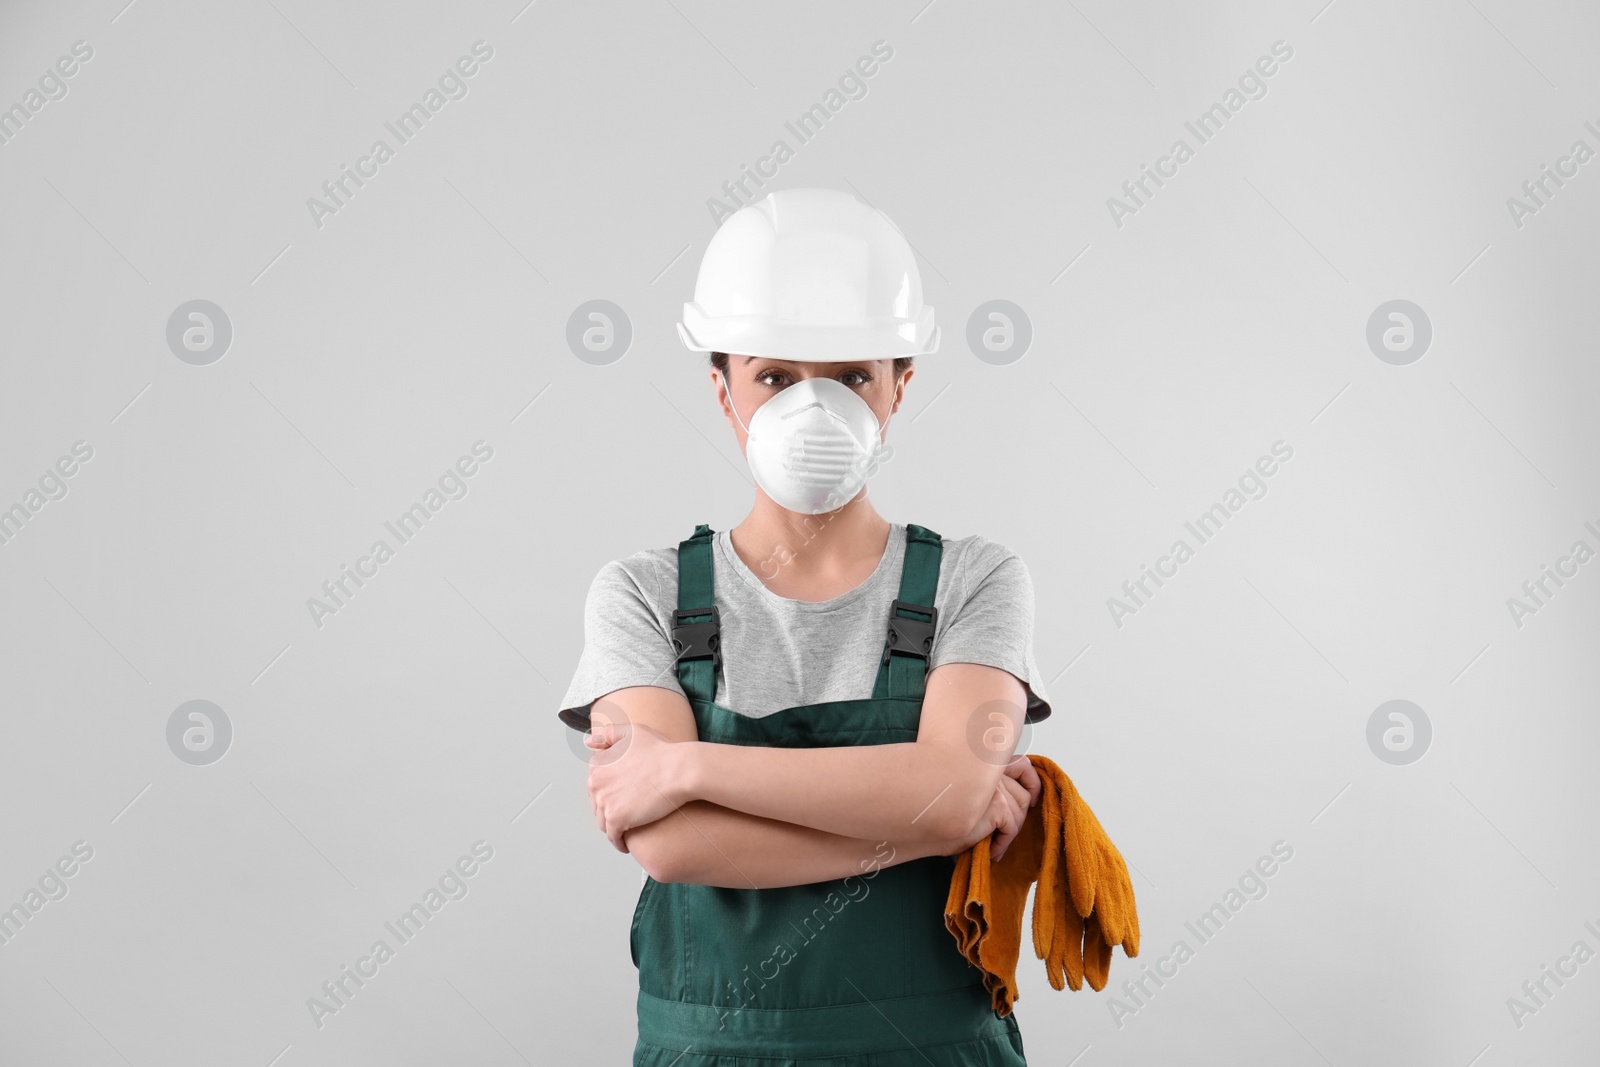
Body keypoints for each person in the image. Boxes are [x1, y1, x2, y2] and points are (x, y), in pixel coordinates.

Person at [559, 187, 1054, 1065]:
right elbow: (672, 846)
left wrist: (690, 766)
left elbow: (954, 791)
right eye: (776, 377)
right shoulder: (641, 593)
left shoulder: (976, 579)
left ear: (902, 383)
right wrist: (930, 808)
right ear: (723, 389)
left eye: (853, 377)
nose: (814, 412)